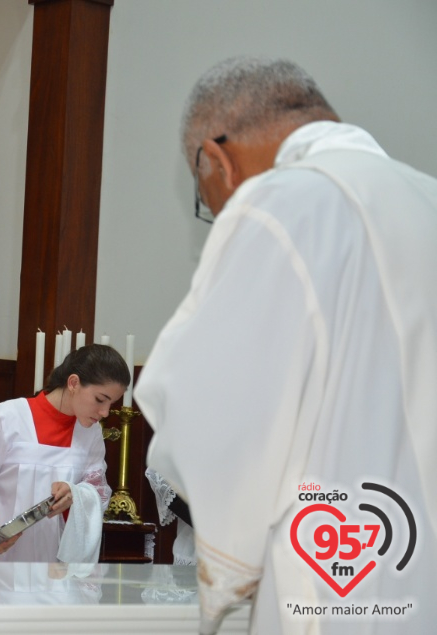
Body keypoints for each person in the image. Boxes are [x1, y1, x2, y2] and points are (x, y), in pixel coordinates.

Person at [135, 57, 437, 634]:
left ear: (215, 160)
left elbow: (213, 419)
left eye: (208, 200)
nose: (219, 214)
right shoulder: (426, 198)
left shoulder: (280, 202)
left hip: (338, 584)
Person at [0, 344, 129, 563]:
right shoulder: (7, 417)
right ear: (73, 383)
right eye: (100, 399)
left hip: (56, 567)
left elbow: (98, 494)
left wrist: (75, 495)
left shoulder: (90, 433)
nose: (105, 412)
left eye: (111, 403)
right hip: (0, 561)